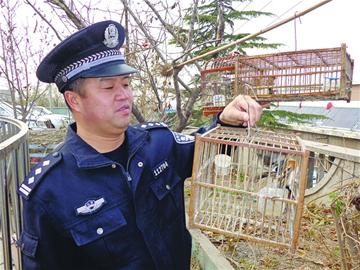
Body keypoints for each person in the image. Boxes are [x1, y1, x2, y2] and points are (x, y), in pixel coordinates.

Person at [17, 20, 262, 270]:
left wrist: (227, 122)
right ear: (74, 100)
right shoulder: (49, 191)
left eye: (125, 84)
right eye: (109, 87)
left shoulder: (158, 143)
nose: (124, 95)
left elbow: (205, 147)